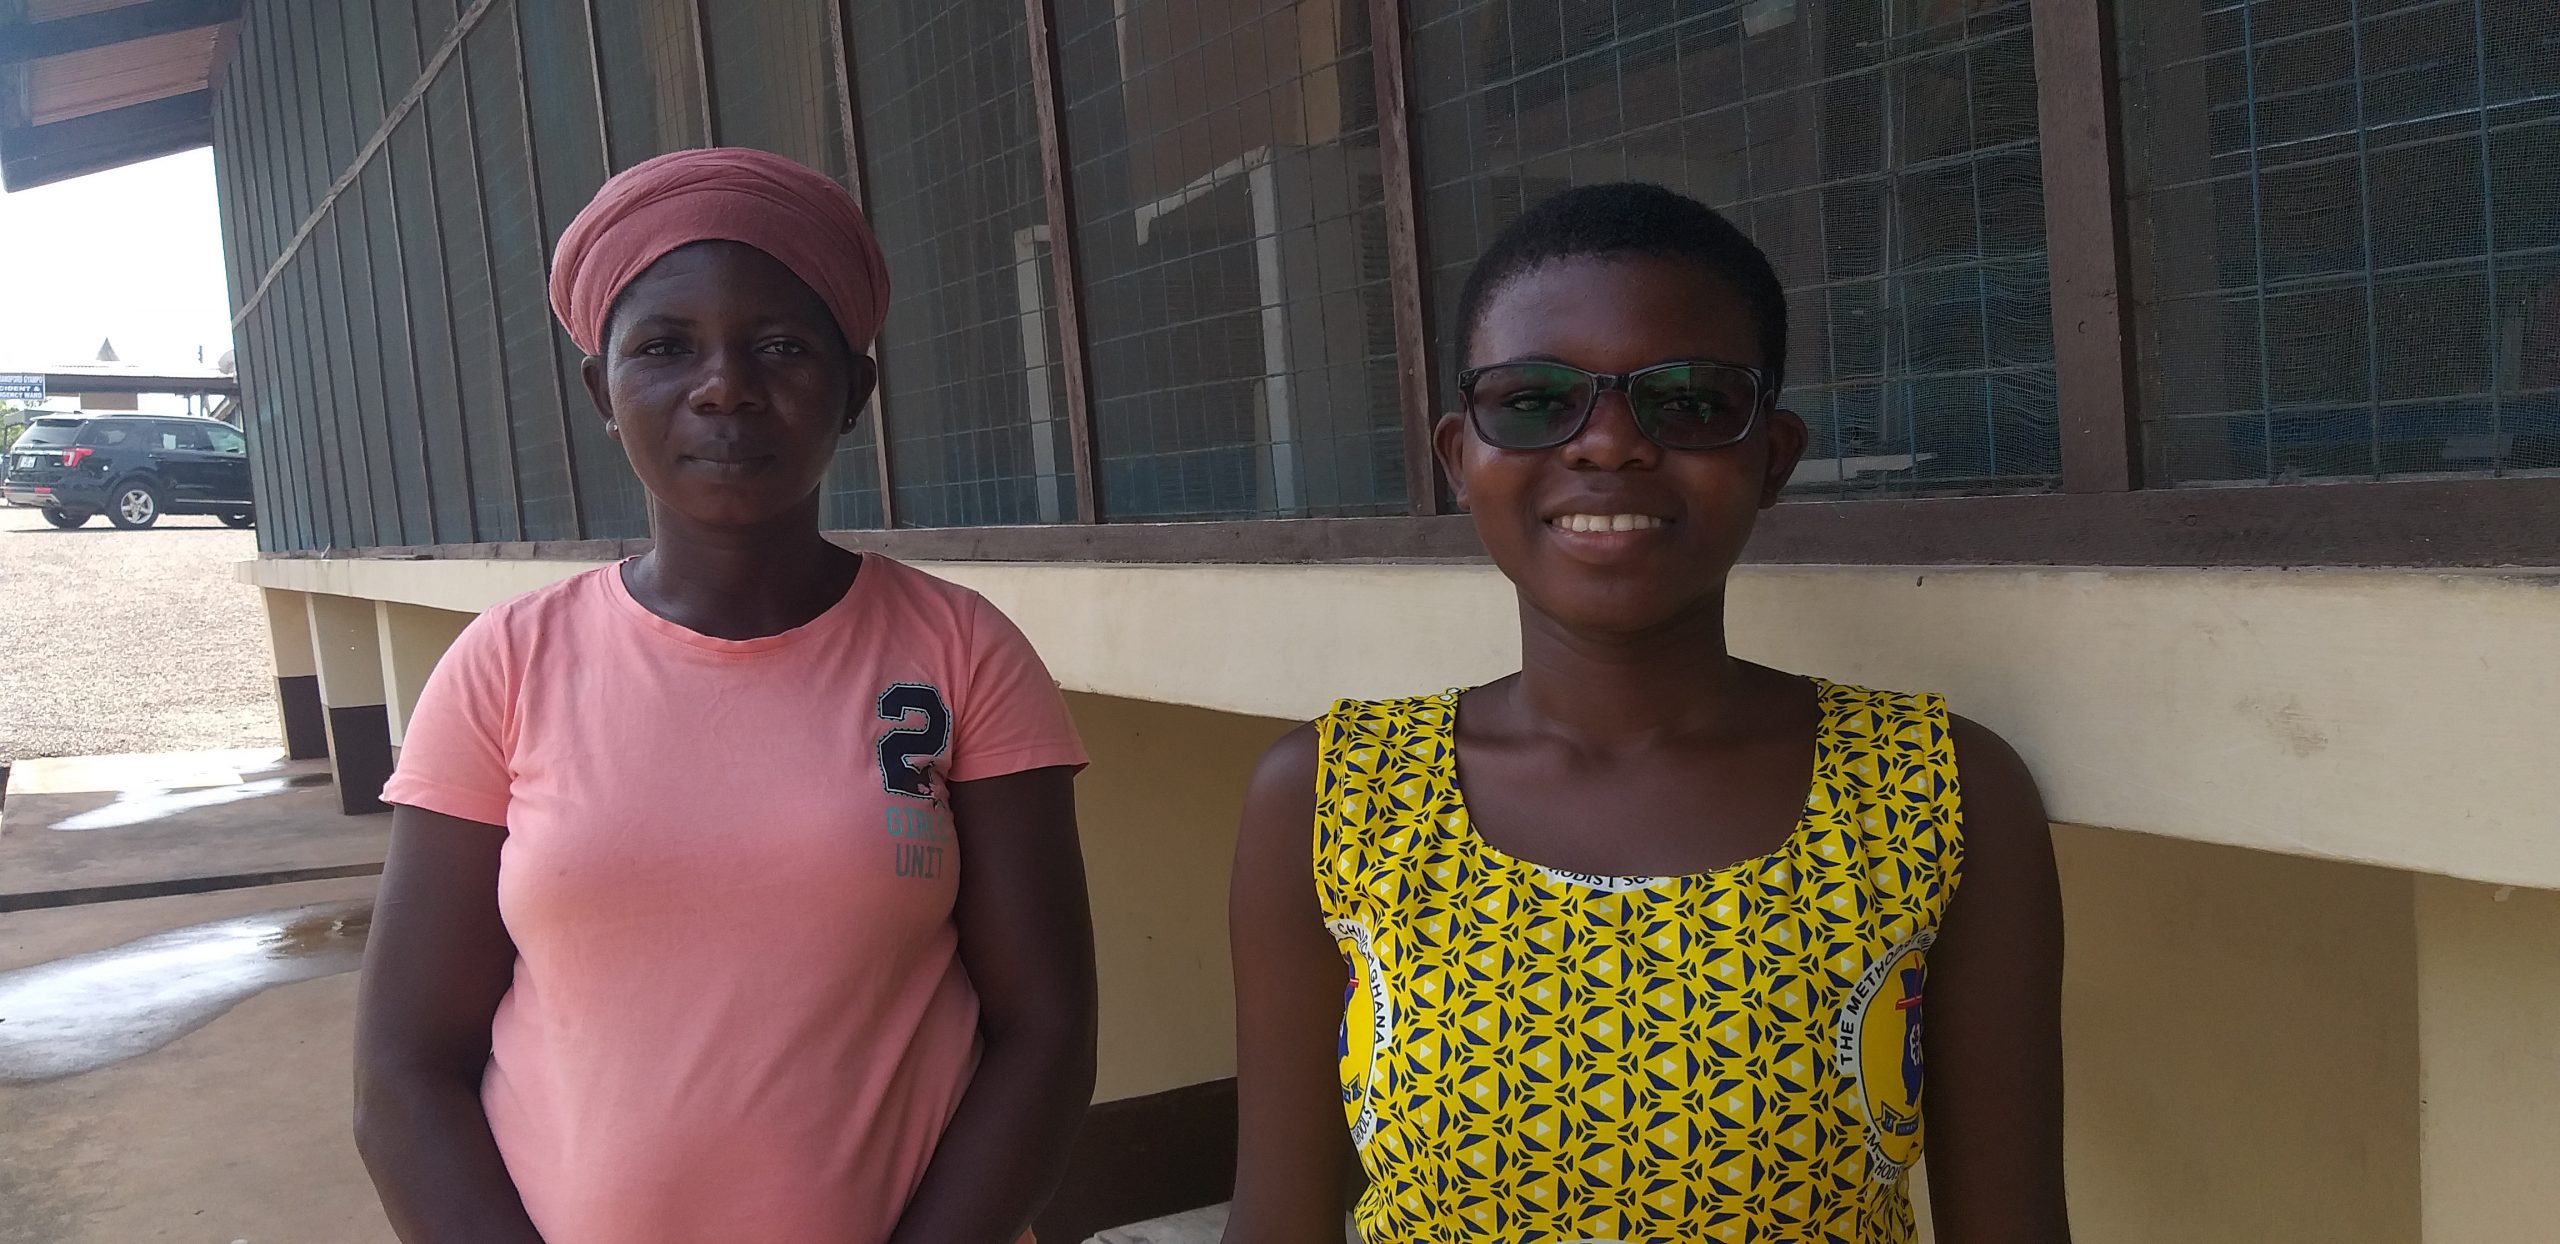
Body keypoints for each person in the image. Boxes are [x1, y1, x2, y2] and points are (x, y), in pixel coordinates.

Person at [1224, 183, 2069, 1243]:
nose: (1610, 443)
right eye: (1535, 400)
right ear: (1460, 457)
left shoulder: (1940, 789)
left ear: (1771, 456)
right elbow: (1276, 1222)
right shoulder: (1328, 796)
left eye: (1690, 399)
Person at [354, 148, 1096, 1244]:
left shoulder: (960, 651)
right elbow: (404, 1069)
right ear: (603, 392)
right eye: (664, 346)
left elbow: (1046, 1030)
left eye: (783, 345)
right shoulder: (506, 662)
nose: (725, 385)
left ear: (854, 390)